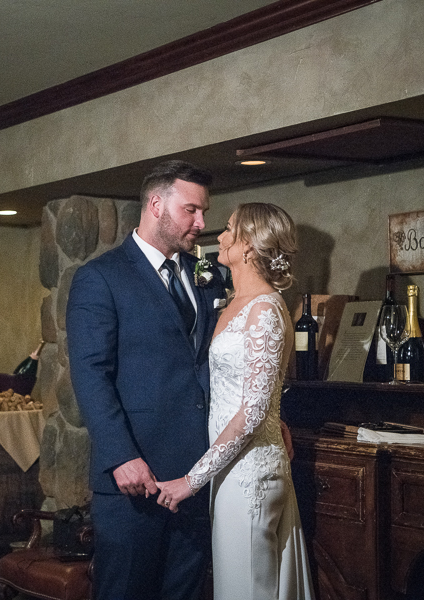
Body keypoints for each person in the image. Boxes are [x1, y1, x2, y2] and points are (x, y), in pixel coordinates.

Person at [66, 160, 224, 600]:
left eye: (203, 211)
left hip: (195, 476)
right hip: (134, 479)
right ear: (156, 204)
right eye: (191, 210)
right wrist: (120, 457)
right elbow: (90, 374)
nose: (201, 222)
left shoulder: (206, 277)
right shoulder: (100, 278)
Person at [155, 203, 315, 600]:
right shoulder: (232, 302)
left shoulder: (266, 309)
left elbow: (253, 410)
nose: (219, 237)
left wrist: (189, 482)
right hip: (231, 469)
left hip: (251, 476)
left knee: (248, 590)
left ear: (247, 245)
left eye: (228, 229)